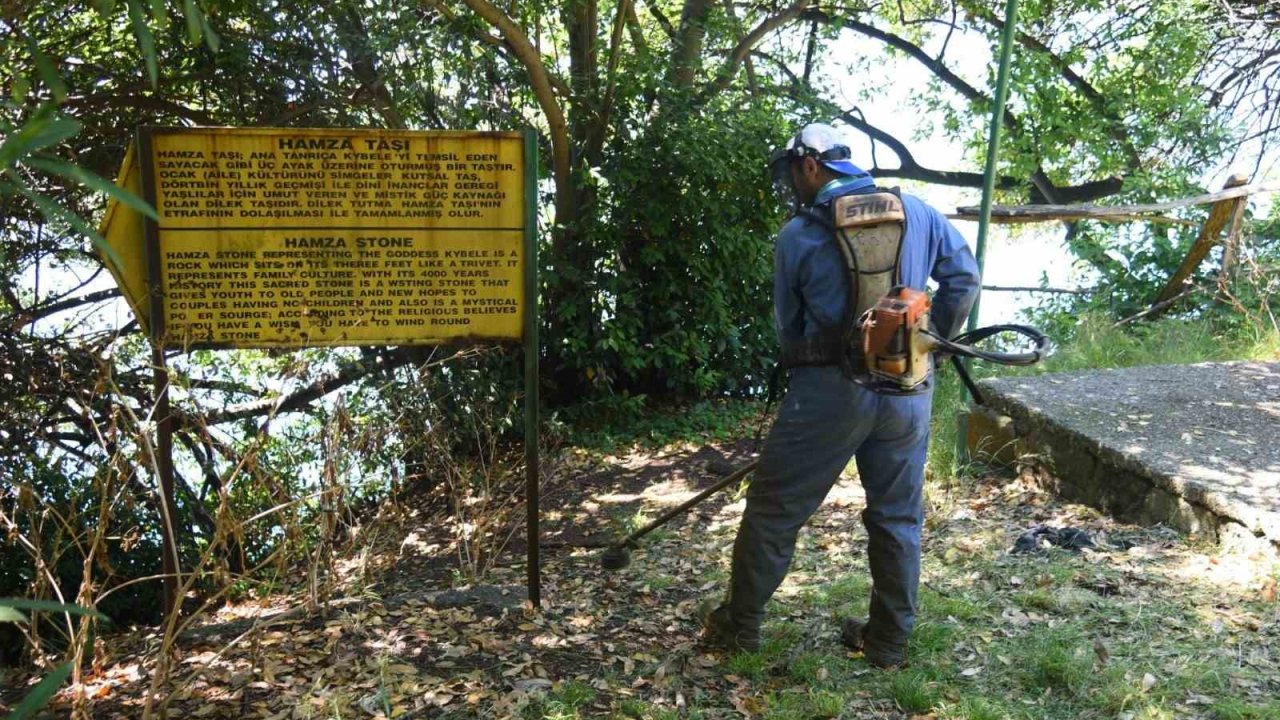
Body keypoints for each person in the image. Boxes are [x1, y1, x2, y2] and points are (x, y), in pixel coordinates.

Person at [701, 123, 981, 668]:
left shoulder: (798, 235)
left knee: (775, 511)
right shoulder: (918, 210)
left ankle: (740, 629)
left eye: (791, 173)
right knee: (898, 517)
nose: (791, 185)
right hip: (908, 387)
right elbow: (964, 278)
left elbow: (792, 327)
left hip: (828, 393)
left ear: (810, 166)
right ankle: (888, 642)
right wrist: (931, 344)